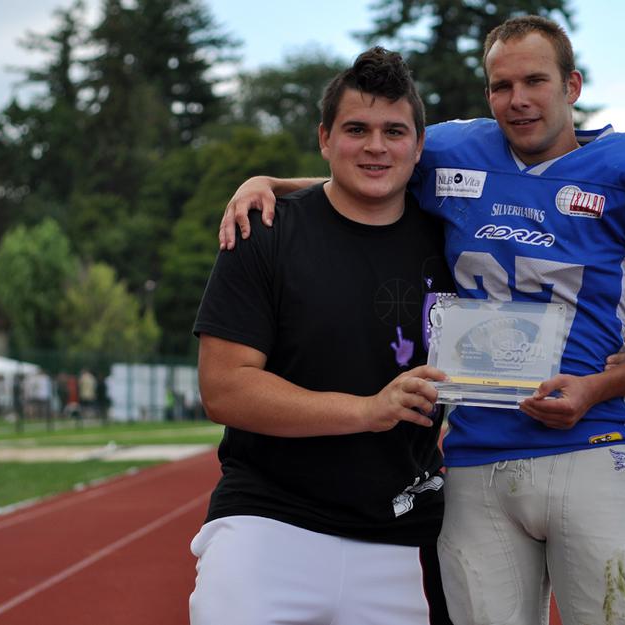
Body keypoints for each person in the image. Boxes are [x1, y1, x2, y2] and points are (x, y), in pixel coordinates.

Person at [218, 16, 625, 625]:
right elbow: (370, 172)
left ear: (572, 86)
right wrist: (270, 182)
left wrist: (597, 387)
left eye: (535, 81)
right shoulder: (457, 154)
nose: (518, 99)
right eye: (502, 85)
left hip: (589, 444)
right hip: (475, 453)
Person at [189, 47, 455, 625]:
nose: (376, 146)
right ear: (324, 138)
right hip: (269, 520)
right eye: (356, 129)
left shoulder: (453, 239)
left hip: (403, 528)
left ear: (418, 146)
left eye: (394, 131)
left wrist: (606, 351)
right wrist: (367, 410)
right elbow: (224, 389)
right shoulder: (263, 231)